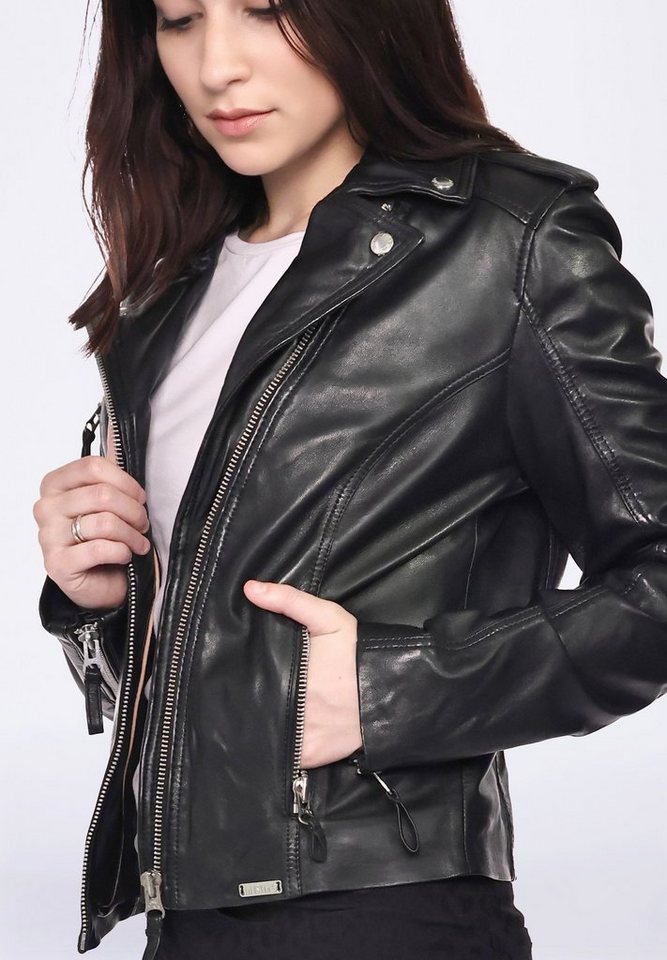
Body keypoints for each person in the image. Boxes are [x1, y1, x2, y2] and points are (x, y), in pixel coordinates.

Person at [32, 1, 667, 958]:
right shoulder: (171, 285)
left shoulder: (510, 242)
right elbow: (204, 681)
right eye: (177, 18)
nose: (215, 65)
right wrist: (102, 601)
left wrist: (386, 686)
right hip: (186, 915)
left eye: (265, 10)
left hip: (383, 909)